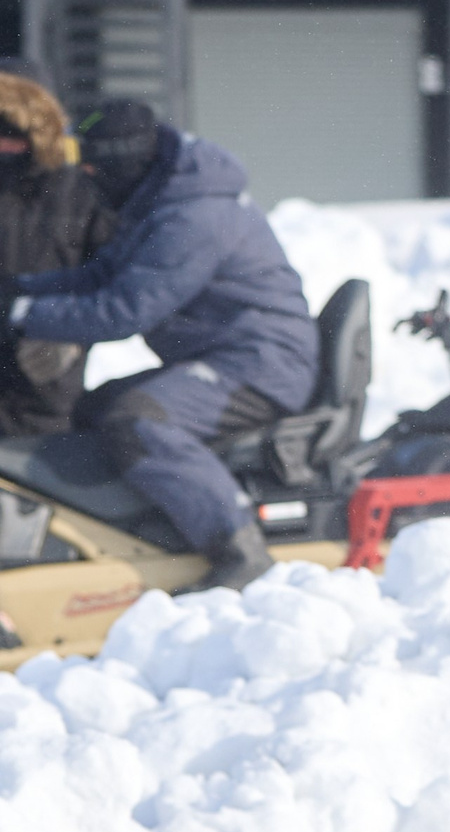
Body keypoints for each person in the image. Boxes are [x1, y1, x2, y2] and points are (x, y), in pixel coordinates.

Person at [3, 100, 319, 592]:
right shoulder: (157, 195)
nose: (86, 177)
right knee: (92, 411)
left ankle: (238, 547)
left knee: (138, 420)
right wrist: (22, 289)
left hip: (260, 365)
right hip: (221, 357)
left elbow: (125, 309)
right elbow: (105, 273)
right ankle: (140, 532)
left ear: (122, 160)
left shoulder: (194, 216)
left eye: (93, 167)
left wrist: (22, 317)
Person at [0, 62, 117, 435]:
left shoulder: (81, 190)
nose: (7, 143)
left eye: (17, 130)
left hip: (45, 386)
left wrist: (71, 336)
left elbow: (113, 279)